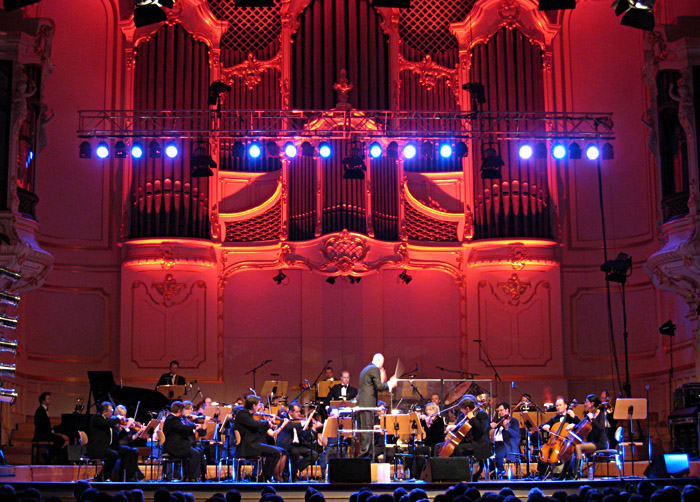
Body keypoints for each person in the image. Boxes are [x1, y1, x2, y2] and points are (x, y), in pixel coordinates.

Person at [234, 395, 285, 482]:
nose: (259, 408)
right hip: (248, 446)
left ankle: (265, 476)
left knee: (278, 451)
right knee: (275, 452)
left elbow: (256, 427)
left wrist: (269, 424)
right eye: (258, 405)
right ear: (253, 406)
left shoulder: (248, 414)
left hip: (253, 444)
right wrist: (266, 422)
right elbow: (255, 424)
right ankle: (265, 477)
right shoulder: (242, 414)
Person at [86, 402, 141, 482]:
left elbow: (118, 437)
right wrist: (118, 419)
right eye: (111, 410)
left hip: (109, 447)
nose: (112, 412)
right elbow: (106, 424)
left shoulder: (109, 421)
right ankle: (103, 477)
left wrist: (127, 428)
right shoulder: (97, 418)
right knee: (113, 455)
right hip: (97, 448)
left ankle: (127, 477)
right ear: (104, 412)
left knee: (129, 451)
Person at [356, 353, 397, 458]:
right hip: (367, 404)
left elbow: (373, 385)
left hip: (362, 403)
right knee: (367, 430)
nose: (381, 367)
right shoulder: (374, 369)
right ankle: (365, 457)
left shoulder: (365, 369)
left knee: (364, 430)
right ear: (380, 362)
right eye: (382, 365)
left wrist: (382, 381)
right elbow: (379, 387)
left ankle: (364, 455)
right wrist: (390, 384)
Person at [274, 402, 319, 481]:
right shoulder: (283, 417)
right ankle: (292, 475)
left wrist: (308, 429)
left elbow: (304, 436)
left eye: (299, 412)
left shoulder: (298, 420)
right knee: (295, 452)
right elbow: (288, 426)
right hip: (288, 445)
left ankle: (296, 469)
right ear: (291, 412)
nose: (299, 414)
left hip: (298, 445)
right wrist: (301, 423)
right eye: (297, 412)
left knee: (314, 454)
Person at [162, 401, 206, 481]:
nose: (183, 413)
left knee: (200, 451)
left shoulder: (175, 419)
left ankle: (201, 476)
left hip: (179, 446)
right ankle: (191, 477)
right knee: (195, 453)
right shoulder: (171, 420)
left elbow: (184, 427)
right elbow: (183, 428)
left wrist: (193, 426)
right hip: (174, 448)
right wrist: (193, 428)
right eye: (183, 410)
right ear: (179, 411)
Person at [538, 397, 580, 479]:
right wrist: (545, 426)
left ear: (566, 406)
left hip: (567, 444)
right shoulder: (554, 418)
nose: (558, 407)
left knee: (570, 452)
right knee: (542, 451)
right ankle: (542, 474)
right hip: (554, 443)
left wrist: (574, 420)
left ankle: (567, 473)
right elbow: (541, 427)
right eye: (556, 405)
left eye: (560, 405)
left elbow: (580, 425)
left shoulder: (571, 418)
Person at [447, 395, 492, 470]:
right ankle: (449, 472)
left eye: (462, 409)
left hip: (479, 444)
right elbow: (459, 427)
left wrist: (472, 418)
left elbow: (481, 429)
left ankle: (462, 473)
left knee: (458, 449)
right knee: (442, 446)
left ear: (467, 408)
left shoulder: (482, 415)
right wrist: (453, 428)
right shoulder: (463, 415)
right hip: (467, 442)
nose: (461, 411)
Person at [573, 394, 607, 478]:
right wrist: (574, 425)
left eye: (587, 402)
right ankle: (574, 472)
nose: (585, 404)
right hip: (593, 442)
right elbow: (581, 426)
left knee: (578, 447)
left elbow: (601, 428)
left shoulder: (601, 414)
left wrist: (593, 419)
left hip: (600, 443)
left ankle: (576, 474)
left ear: (592, 403)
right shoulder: (590, 414)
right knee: (575, 446)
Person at [489, 402, 521, 477]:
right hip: (495, 443)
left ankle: (500, 470)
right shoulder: (498, 421)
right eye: (498, 411)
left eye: (501, 410)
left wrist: (507, 428)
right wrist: (491, 426)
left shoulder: (513, 421)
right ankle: (493, 470)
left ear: (507, 410)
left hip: (507, 444)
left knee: (497, 454)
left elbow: (515, 434)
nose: (499, 412)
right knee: (486, 452)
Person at [32, 392, 65, 464]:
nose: (49, 400)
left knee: (59, 439)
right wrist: (51, 430)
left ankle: (49, 455)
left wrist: (51, 430)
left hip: (45, 433)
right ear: (43, 400)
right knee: (60, 440)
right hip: (41, 434)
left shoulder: (43, 410)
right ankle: (49, 456)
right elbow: (41, 424)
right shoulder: (40, 411)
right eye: (48, 399)